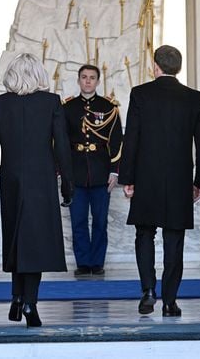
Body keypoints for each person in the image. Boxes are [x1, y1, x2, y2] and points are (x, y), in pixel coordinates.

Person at [118, 45, 200, 317]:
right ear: (177, 68)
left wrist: (128, 178)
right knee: (175, 239)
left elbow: (131, 138)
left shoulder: (140, 94)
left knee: (144, 233)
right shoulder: (194, 97)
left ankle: (148, 290)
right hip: (180, 178)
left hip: (147, 177)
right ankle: (170, 301)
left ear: (155, 66)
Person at [0, 53, 74, 328]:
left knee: (16, 238)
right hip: (42, 180)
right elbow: (62, 148)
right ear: (39, 75)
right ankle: (29, 302)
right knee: (36, 243)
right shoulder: (51, 103)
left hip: (11, 179)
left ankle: (17, 297)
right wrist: (67, 186)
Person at [62, 64, 122, 276]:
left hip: (101, 172)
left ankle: (97, 263)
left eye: (92, 78)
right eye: (84, 77)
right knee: (78, 221)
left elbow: (116, 142)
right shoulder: (67, 108)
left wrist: (114, 171)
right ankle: (83, 263)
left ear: (98, 81)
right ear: (78, 81)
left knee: (99, 220)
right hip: (75, 173)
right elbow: (60, 142)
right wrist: (62, 171)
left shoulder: (109, 107)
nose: (88, 81)